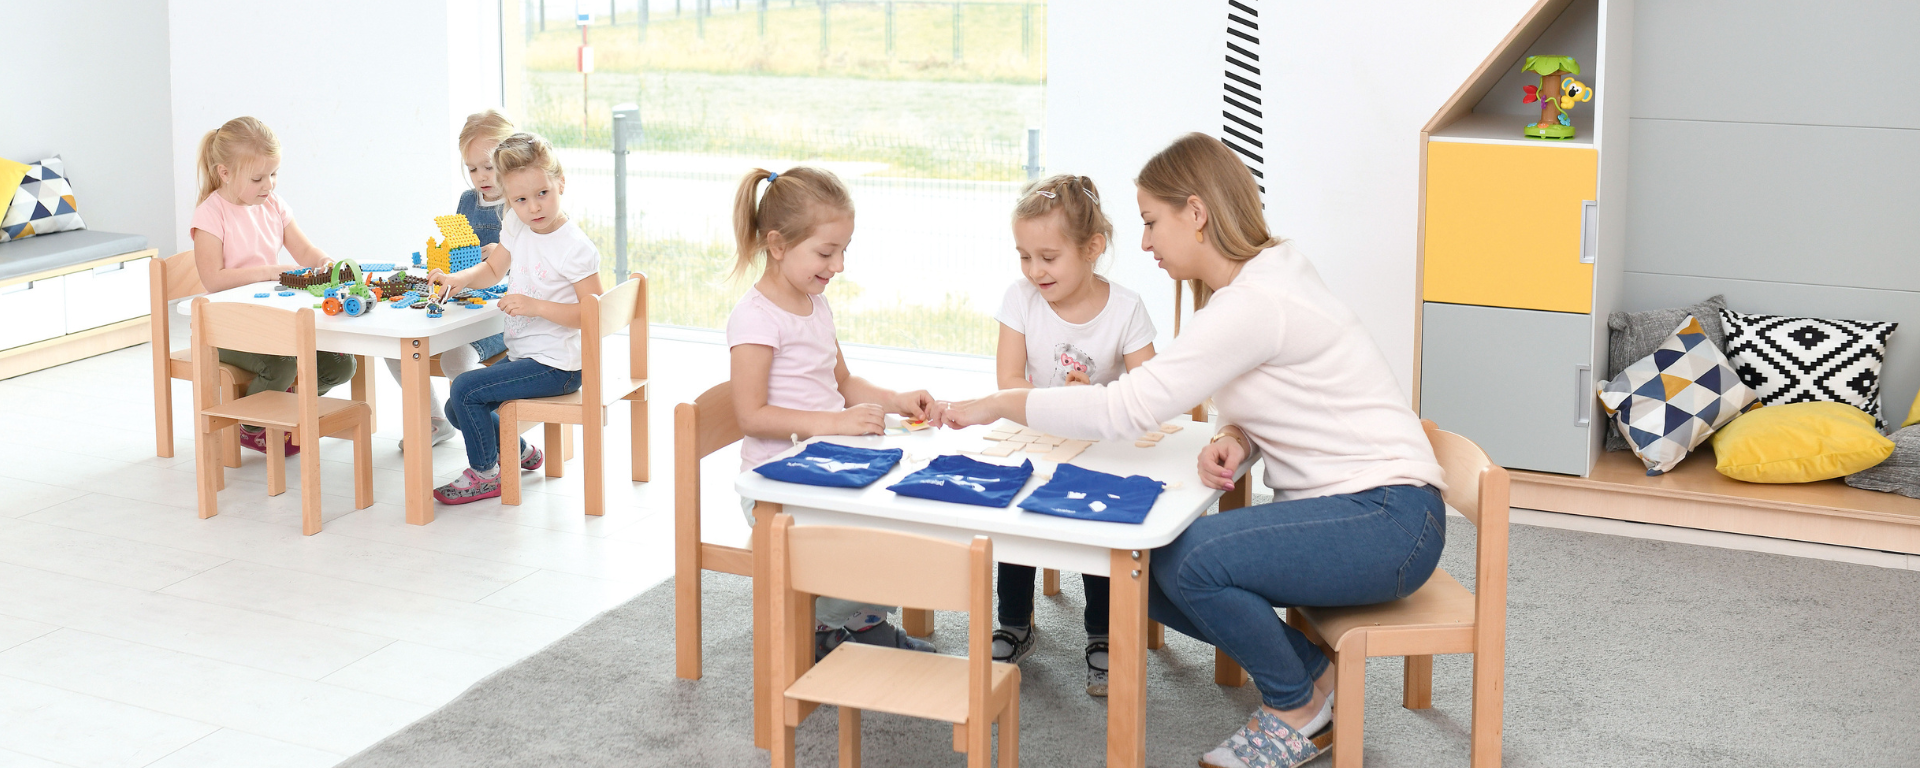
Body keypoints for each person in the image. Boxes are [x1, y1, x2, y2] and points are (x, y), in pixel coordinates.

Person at [940, 133, 1446, 768]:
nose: (1145, 241)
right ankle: (1315, 673)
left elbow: (1124, 408)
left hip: (1388, 521)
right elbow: (1285, 393)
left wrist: (998, 403)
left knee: (1196, 562)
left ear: (1196, 213)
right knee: (1135, 567)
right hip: (1365, 511)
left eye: (1153, 221)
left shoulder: (1253, 304)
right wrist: (1236, 436)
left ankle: (1297, 708)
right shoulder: (1265, 278)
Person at [727, 165, 943, 658]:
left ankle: (863, 625)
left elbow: (843, 383)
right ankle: (819, 626)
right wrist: (834, 424)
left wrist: (894, 399)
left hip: (825, 468)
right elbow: (751, 415)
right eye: (827, 252)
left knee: (905, 512)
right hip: (774, 488)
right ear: (778, 245)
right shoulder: (755, 319)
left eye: (844, 250)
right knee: (873, 532)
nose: (839, 265)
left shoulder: (813, 302)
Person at [990, 173, 1156, 697]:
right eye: (1024, 256)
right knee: (1015, 513)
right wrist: (1056, 403)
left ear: (1092, 248)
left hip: (1103, 444)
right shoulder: (1020, 299)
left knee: (1097, 526)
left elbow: (1151, 389)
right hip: (1036, 432)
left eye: (1048, 257)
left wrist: (1095, 399)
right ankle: (1015, 623)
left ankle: (1102, 633)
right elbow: (1009, 382)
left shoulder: (1126, 308)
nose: (1034, 271)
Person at [433, 132, 603, 504]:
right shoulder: (516, 224)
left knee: (464, 389)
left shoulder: (575, 247)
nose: (534, 208)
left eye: (542, 193)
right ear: (509, 200)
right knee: (454, 406)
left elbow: (594, 317)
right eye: (520, 200)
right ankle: (520, 450)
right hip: (527, 356)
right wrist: (456, 280)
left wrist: (536, 306)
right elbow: (493, 270)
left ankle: (486, 474)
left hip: (560, 367)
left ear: (560, 182)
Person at [190, 116, 354, 457]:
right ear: (225, 173)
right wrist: (269, 272)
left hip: (271, 319)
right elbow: (213, 280)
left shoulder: (272, 205)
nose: (269, 185)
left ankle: (282, 406)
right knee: (282, 365)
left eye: (274, 174)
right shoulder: (210, 215)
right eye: (258, 178)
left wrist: (325, 263)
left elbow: (305, 251)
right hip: (225, 327)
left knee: (342, 364)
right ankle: (251, 425)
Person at [386, 109, 515, 449]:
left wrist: (501, 254)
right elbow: (458, 249)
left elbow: (530, 265)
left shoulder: (519, 203)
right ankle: (434, 420)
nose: (481, 176)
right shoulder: (467, 201)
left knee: (454, 358)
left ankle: (492, 434)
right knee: (395, 343)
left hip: (501, 315)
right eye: (473, 168)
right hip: (463, 303)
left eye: (489, 166)